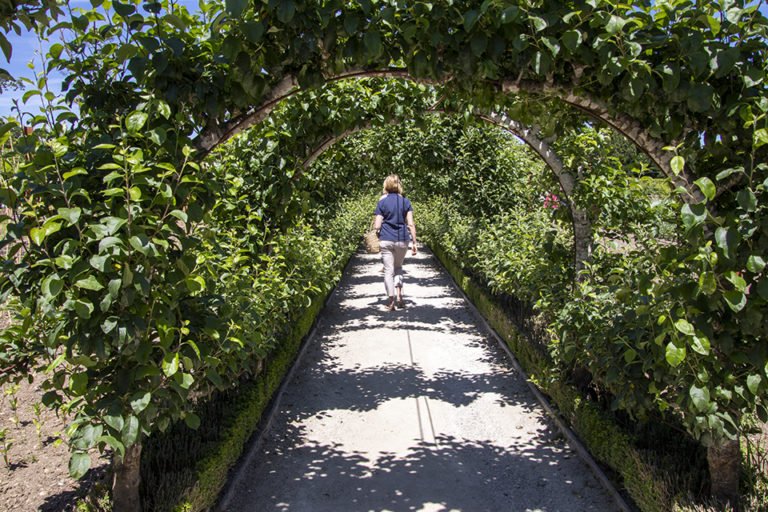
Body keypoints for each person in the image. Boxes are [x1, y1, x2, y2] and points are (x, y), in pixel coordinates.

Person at [373, 174, 417, 310]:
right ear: (399, 185)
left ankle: (391, 301)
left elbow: (377, 226)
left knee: (388, 270)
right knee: (398, 267)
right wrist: (414, 242)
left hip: (386, 239)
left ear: (386, 185)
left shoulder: (382, 202)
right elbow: (410, 224)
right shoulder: (406, 202)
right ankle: (399, 296)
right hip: (402, 240)